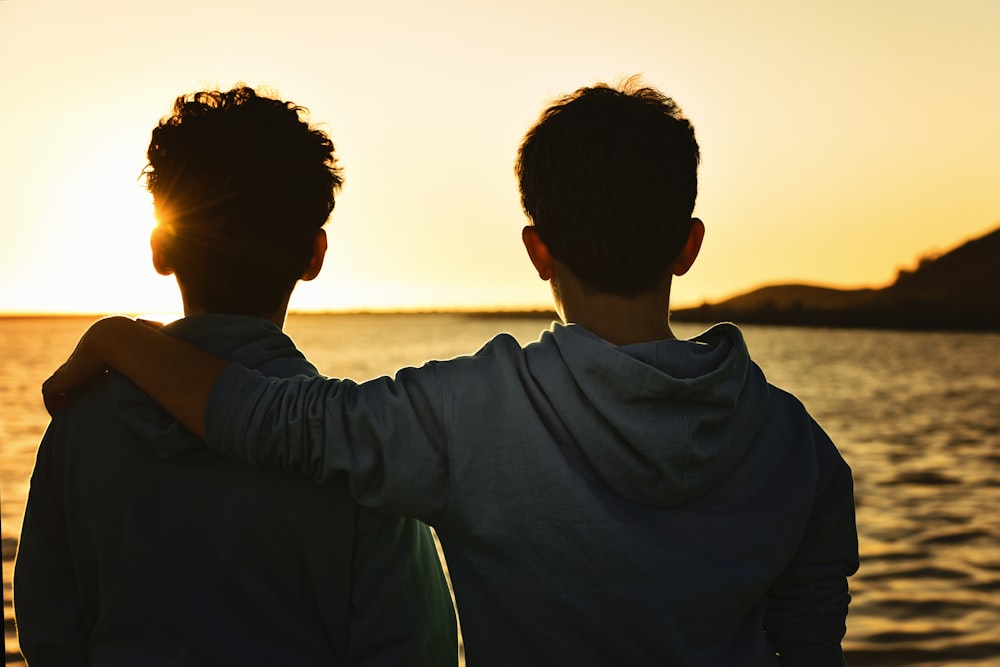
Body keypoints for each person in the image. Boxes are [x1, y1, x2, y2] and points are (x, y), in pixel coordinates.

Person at [42, 79, 859, 666]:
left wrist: (119, 337)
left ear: (538, 250)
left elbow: (271, 423)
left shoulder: (458, 418)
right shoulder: (802, 449)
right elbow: (811, 643)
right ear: (689, 243)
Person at [15, 86, 457, 666]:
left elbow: (49, 633)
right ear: (314, 256)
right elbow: (412, 649)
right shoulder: (354, 454)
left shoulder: (79, 429)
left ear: (160, 249)